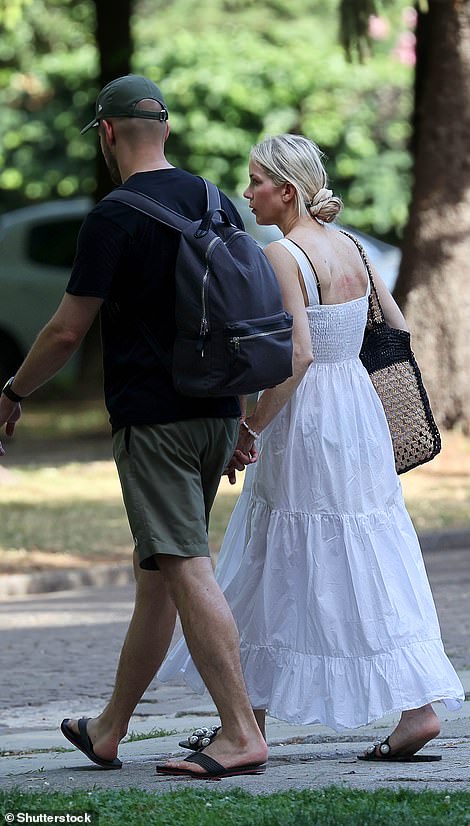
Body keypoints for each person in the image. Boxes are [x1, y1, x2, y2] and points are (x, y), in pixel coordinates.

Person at [158, 133, 465, 761]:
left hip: (307, 420)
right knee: (364, 546)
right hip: (356, 412)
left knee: (285, 550)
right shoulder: (351, 244)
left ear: (288, 191)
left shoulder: (284, 254)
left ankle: (250, 723)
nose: (246, 194)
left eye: (256, 181)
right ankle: (410, 709)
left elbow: (296, 357)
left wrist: (251, 428)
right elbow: (397, 328)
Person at [0, 74, 268, 780]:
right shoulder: (217, 200)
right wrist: (240, 415)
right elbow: (236, 316)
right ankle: (110, 729)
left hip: (156, 422)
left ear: (108, 133)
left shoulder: (112, 217)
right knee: (158, 574)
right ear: (167, 129)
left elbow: (64, 333)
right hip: (215, 413)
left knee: (183, 562)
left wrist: (13, 390)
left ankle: (240, 733)